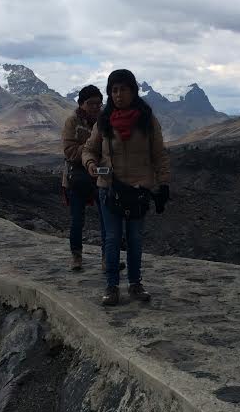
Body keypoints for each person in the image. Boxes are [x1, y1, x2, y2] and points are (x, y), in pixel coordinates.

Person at [82, 69, 170, 306]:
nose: (118, 95)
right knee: (112, 238)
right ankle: (111, 287)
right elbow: (89, 149)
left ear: (133, 91)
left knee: (135, 239)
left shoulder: (147, 120)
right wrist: (90, 164)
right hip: (109, 188)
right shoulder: (104, 121)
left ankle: (135, 284)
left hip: (138, 190)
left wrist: (163, 183)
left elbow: (159, 154)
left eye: (123, 89)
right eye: (114, 90)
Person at [62, 85, 105, 271]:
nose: (95, 107)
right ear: (81, 103)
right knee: (77, 220)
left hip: (101, 176)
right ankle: (76, 256)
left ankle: (107, 258)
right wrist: (91, 148)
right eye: (90, 103)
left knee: (107, 218)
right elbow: (70, 151)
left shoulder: (105, 121)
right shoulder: (72, 122)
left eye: (98, 103)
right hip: (77, 177)